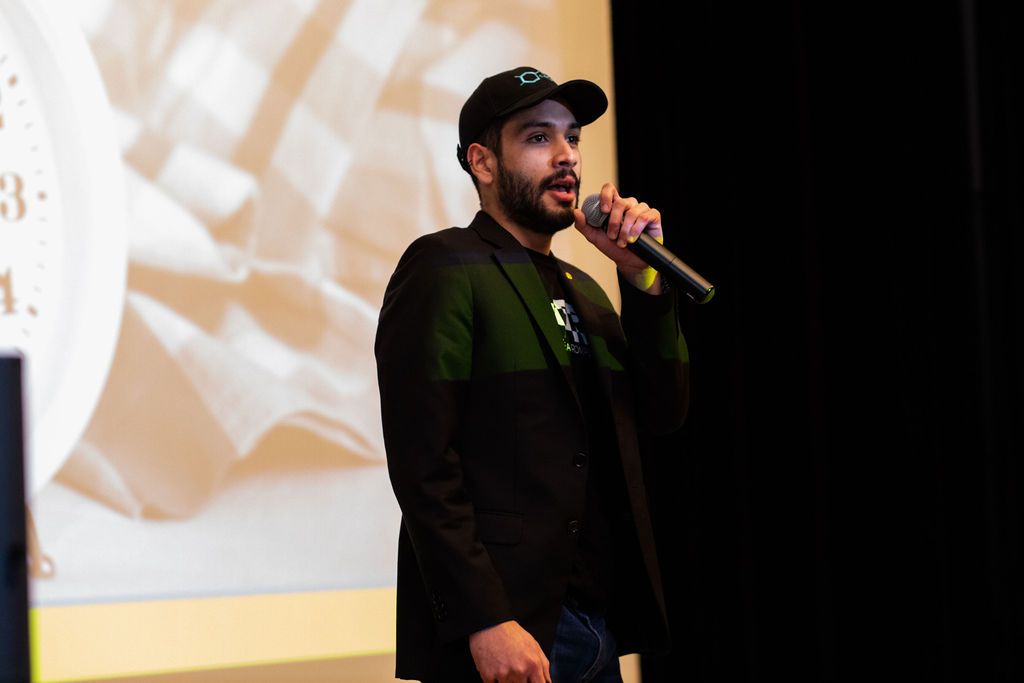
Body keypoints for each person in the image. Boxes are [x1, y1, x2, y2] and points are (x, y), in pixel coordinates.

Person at [375, 66, 690, 683]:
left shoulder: (589, 291)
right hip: (509, 634)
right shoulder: (445, 267)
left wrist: (644, 282)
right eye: (539, 138)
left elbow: (662, 411)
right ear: (483, 162)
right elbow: (423, 465)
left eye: (572, 138)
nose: (567, 156)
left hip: (593, 626)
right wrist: (484, 619)